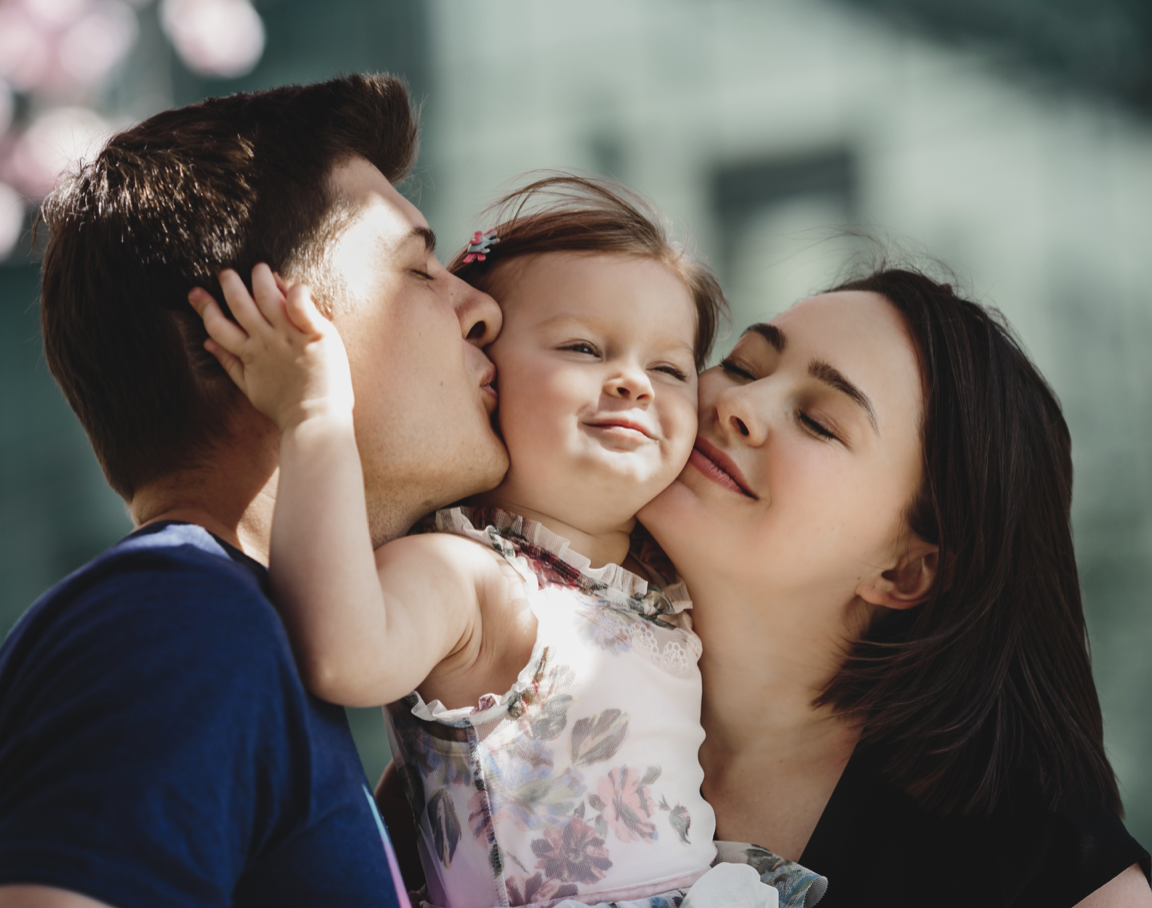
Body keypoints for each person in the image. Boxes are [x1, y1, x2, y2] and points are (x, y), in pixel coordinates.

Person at [190, 177, 823, 908]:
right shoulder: (472, 576)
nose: (633, 384)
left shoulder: (655, 581)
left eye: (669, 368)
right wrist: (313, 415)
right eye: (584, 348)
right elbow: (343, 655)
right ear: (484, 370)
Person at [0, 74, 508, 907]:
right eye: (420, 270)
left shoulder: (238, 630)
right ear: (244, 332)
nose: (481, 308)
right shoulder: (181, 621)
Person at [635, 268, 1152, 907]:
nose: (738, 404)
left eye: (820, 422)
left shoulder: (1041, 872)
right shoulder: (521, 660)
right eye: (743, 365)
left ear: (903, 572)